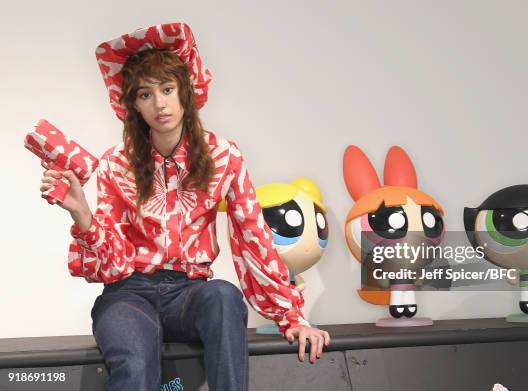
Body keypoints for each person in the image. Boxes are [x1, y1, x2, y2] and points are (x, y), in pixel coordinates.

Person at [39, 23, 330, 391]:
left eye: (167, 89)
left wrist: (292, 317)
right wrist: (81, 213)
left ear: (186, 92)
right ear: (132, 105)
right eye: (145, 94)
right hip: (129, 293)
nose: (159, 104)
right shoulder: (116, 164)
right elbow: (109, 267)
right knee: (134, 367)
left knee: (224, 297)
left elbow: (253, 240)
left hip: (190, 294)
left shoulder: (224, 157)